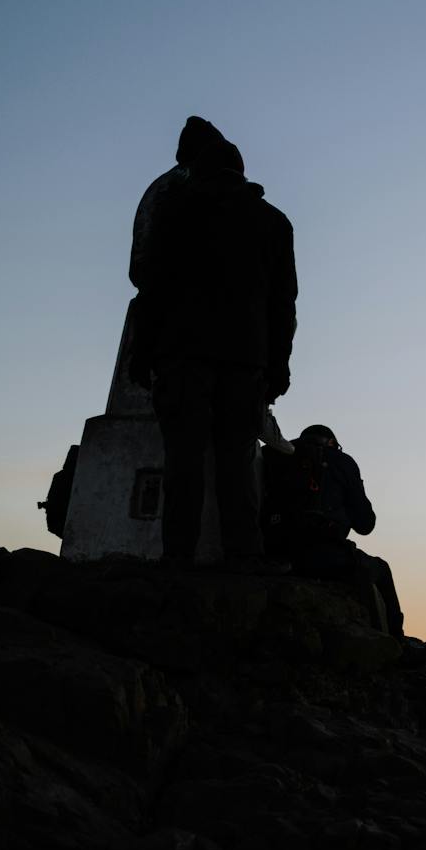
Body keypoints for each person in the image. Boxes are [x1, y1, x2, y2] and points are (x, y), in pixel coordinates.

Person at [127, 116, 296, 569]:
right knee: (236, 462)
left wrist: (141, 355)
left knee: (183, 461)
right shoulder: (274, 223)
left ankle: (178, 558)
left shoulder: (176, 211)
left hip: (182, 356)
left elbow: (152, 289)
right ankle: (242, 556)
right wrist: (277, 369)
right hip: (245, 362)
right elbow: (284, 305)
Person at [261, 424, 404, 634]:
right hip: (324, 556)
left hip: (275, 552)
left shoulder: (274, 455)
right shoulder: (342, 461)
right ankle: (397, 641)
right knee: (381, 569)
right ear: (333, 444)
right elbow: (365, 524)